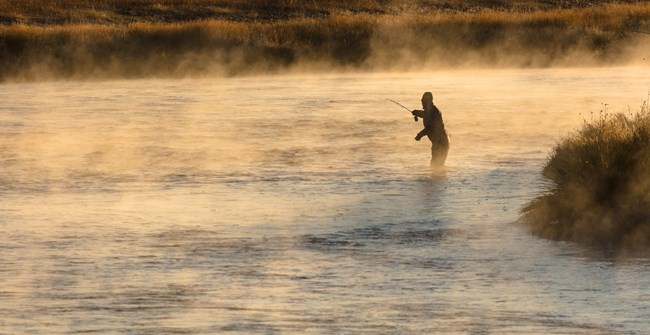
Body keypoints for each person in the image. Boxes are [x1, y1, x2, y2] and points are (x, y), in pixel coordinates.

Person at [411, 92, 449, 166]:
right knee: (436, 166)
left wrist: (419, 135)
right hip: (439, 142)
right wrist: (416, 113)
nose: (421, 101)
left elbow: (430, 128)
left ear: (427, 101)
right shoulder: (431, 110)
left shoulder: (433, 111)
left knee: (436, 165)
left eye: (423, 100)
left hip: (441, 143)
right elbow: (425, 114)